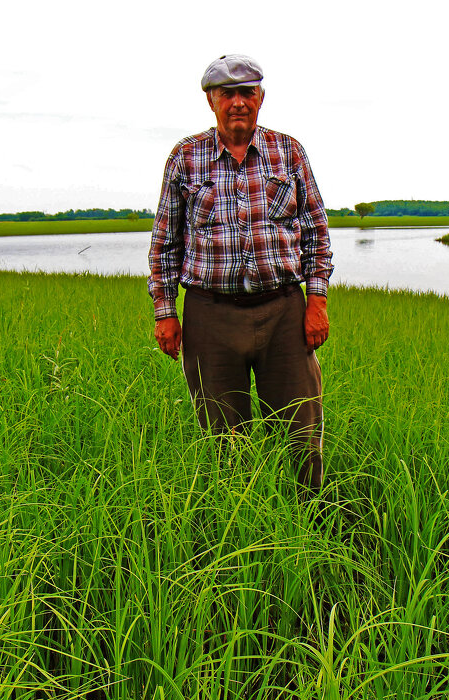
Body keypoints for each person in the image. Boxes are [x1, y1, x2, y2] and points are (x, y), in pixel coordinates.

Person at [148, 54, 333, 495]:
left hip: (284, 312)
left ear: (261, 98)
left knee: (301, 434)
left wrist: (317, 302)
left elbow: (316, 231)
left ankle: (309, 521)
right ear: (211, 101)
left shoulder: (288, 151)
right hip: (210, 315)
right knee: (223, 440)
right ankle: (240, 526)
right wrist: (165, 313)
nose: (237, 103)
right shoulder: (186, 157)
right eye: (227, 94)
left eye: (247, 93)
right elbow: (165, 242)